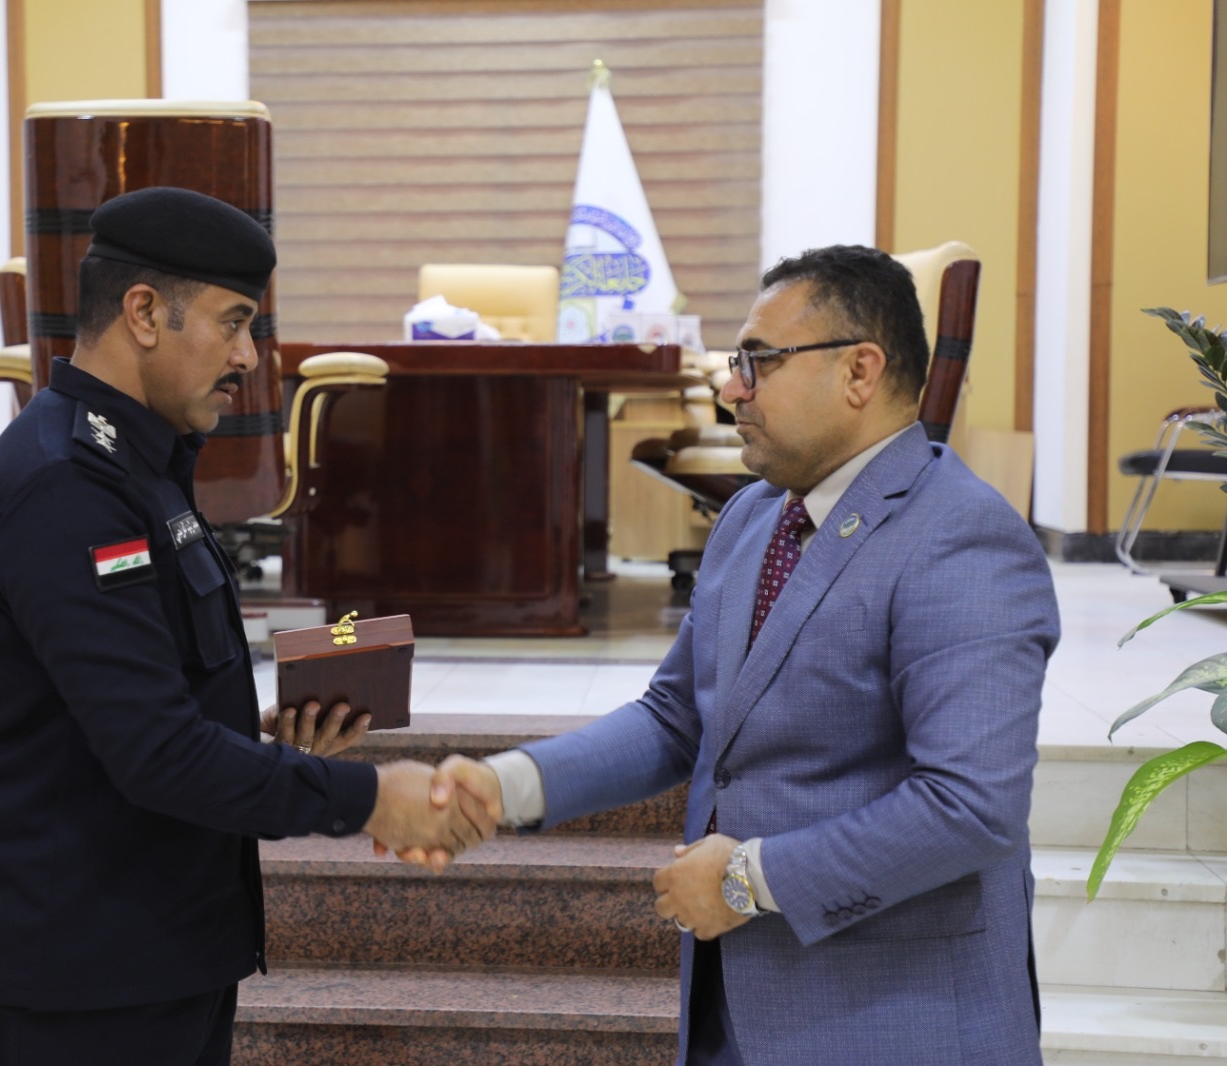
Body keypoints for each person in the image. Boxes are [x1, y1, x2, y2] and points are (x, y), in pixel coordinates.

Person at [421, 245, 1060, 1065]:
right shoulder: (755, 517)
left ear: (859, 371)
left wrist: (747, 880)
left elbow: (970, 807)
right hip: (738, 1008)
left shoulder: (961, 537)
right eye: (736, 363)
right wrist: (508, 785)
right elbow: (677, 717)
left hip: (895, 1016)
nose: (732, 389)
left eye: (759, 361)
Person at [0, 186, 492, 1065]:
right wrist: (372, 799)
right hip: (77, 979)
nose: (247, 358)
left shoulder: (138, 464)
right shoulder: (68, 485)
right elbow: (154, 751)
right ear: (144, 313)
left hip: (148, 951)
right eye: (233, 324)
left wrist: (258, 742)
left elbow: (129, 708)